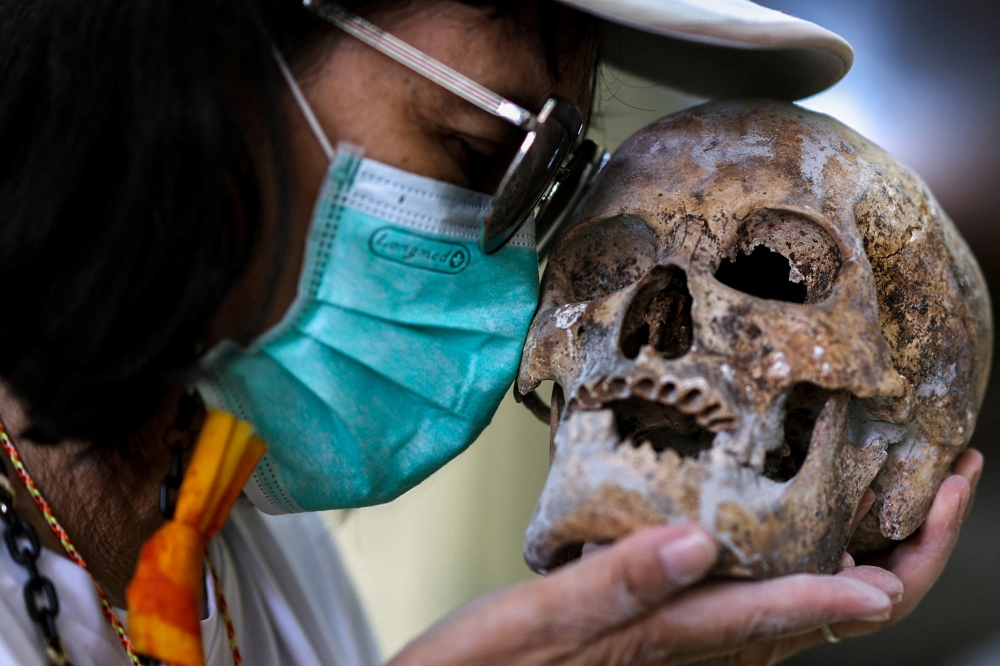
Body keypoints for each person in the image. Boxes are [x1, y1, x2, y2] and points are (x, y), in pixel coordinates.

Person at [0, 0, 982, 664]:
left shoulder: (236, 541)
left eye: (549, 184)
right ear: (205, 50)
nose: (515, 278)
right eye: (480, 150)